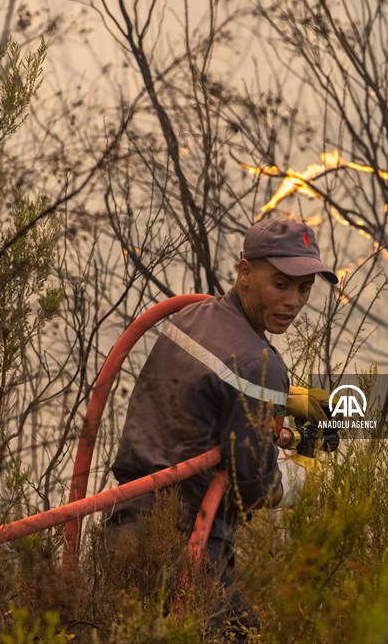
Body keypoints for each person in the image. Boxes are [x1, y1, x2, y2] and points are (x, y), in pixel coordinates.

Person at [106, 216, 337, 637]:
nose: (293, 301)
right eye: (281, 284)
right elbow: (255, 487)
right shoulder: (258, 365)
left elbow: (204, 402)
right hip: (186, 547)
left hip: (126, 525)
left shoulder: (193, 316)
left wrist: (282, 404)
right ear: (245, 272)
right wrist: (305, 476)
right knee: (245, 634)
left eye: (305, 288)